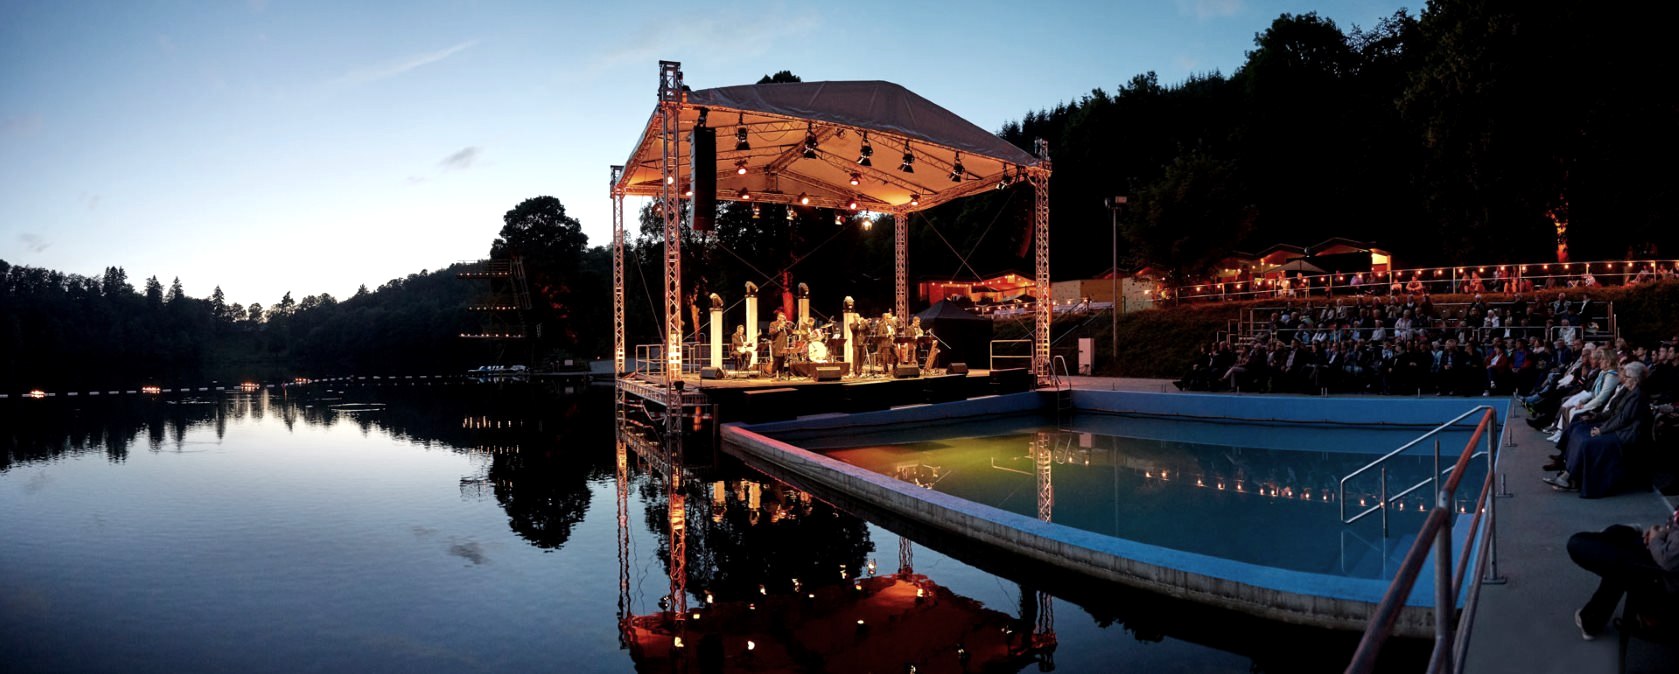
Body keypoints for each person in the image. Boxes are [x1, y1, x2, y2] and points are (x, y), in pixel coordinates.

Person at [1566, 508, 1679, 640]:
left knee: (1578, 544)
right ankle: (1591, 621)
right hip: (1658, 562)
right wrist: (1661, 532)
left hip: (1662, 580)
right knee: (1617, 537)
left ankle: (1592, 621)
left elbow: (1668, 561)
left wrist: (1655, 538)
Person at [1544, 361, 1651, 497]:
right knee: (1577, 430)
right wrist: (1596, 417)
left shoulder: (1638, 395)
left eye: (1627, 376)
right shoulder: (1626, 390)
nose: (1623, 378)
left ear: (1635, 380)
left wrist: (1601, 430)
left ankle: (1571, 478)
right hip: (1616, 428)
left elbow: (1623, 420)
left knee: (1587, 442)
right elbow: (1612, 411)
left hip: (1625, 434)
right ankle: (1568, 474)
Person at [768, 310, 792, 379]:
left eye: (784, 318)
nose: (783, 319)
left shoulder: (785, 325)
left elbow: (790, 332)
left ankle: (781, 375)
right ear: (778, 318)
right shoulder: (773, 324)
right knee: (776, 361)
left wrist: (787, 326)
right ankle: (773, 375)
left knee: (782, 361)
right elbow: (771, 332)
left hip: (783, 346)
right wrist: (778, 328)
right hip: (776, 345)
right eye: (782, 318)